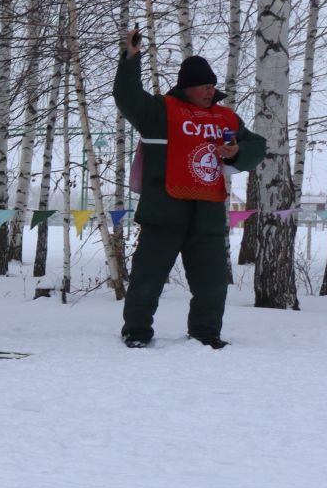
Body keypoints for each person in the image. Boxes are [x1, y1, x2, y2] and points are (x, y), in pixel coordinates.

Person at [114, 29, 267, 348]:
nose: (211, 91)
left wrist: (237, 152)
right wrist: (131, 59)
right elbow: (128, 97)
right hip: (163, 212)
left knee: (212, 284)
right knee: (147, 279)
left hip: (208, 215)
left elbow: (257, 146)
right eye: (205, 85)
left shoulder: (225, 118)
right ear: (188, 87)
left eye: (213, 85)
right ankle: (137, 331)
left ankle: (205, 332)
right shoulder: (160, 112)